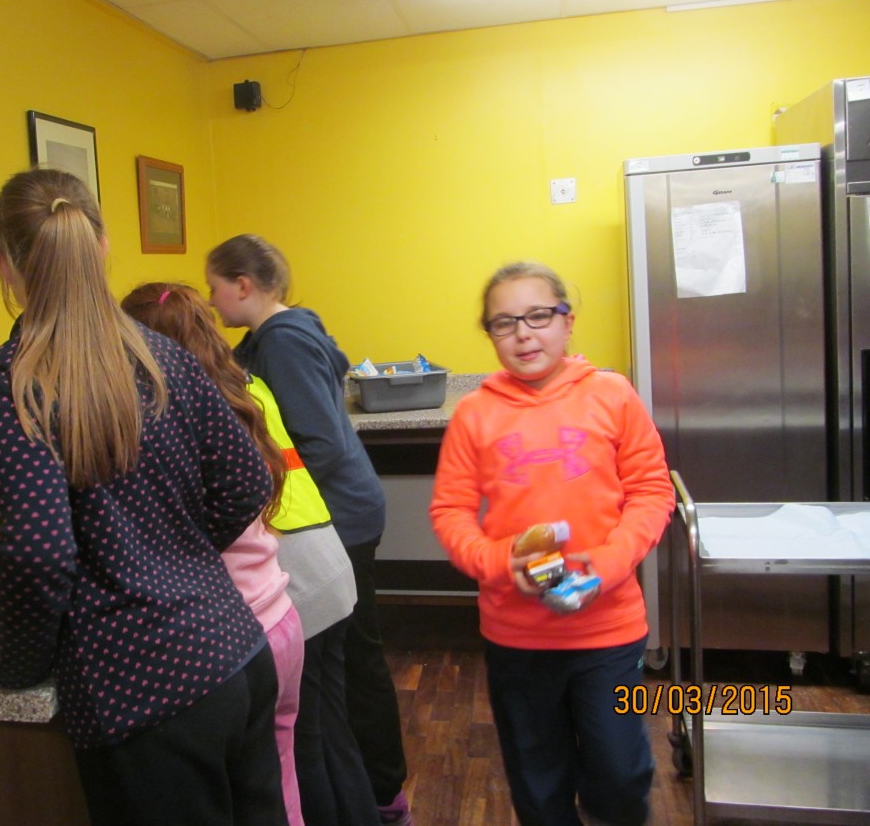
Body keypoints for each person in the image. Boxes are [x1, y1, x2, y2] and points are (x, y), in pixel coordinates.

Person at [0, 169, 286, 826]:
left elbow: (41, 551)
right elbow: (248, 482)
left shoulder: (12, 380)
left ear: (1, 261)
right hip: (236, 652)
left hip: (147, 691)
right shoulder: (160, 354)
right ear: (102, 245)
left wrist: (17, 664)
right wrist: (173, 552)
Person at [121, 282, 377, 826]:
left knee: (305, 749)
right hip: (323, 558)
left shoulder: (183, 405)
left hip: (291, 574)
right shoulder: (243, 381)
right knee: (331, 730)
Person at [428, 261, 675, 826]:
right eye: (504, 322)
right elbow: (450, 512)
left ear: (567, 321)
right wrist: (499, 561)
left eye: (538, 316)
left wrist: (608, 564)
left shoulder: (612, 395)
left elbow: (651, 491)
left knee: (620, 773)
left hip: (609, 630)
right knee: (538, 785)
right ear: (490, 334)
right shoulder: (474, 414)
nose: (523, 334)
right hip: (517, 637)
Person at [206, 236, 412, 826]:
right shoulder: (278, 335)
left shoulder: (283, 343)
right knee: (348, 663)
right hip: (343, 510)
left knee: (356, 662)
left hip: (338, 516)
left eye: (215, 287)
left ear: (243, 285)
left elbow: (316, 443)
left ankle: (383, 792)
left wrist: (272, 506)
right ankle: (371, 788)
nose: (212, 300)